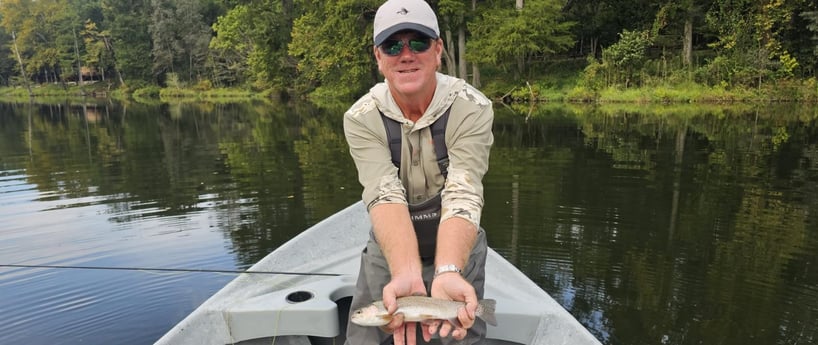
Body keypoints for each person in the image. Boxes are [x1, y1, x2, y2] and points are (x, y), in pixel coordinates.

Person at [343, 0, 494, 344]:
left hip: (458, 247)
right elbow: (383, 195)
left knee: (462, 336)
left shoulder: (472, 107)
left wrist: (447, 270)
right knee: (364, 336)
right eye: (393, 45)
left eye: (419, 42)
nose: (406, 55)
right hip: (389, 247)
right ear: (378, 57)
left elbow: (463, 192)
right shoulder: (361, 117)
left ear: (438, 49)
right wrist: (407, 271)